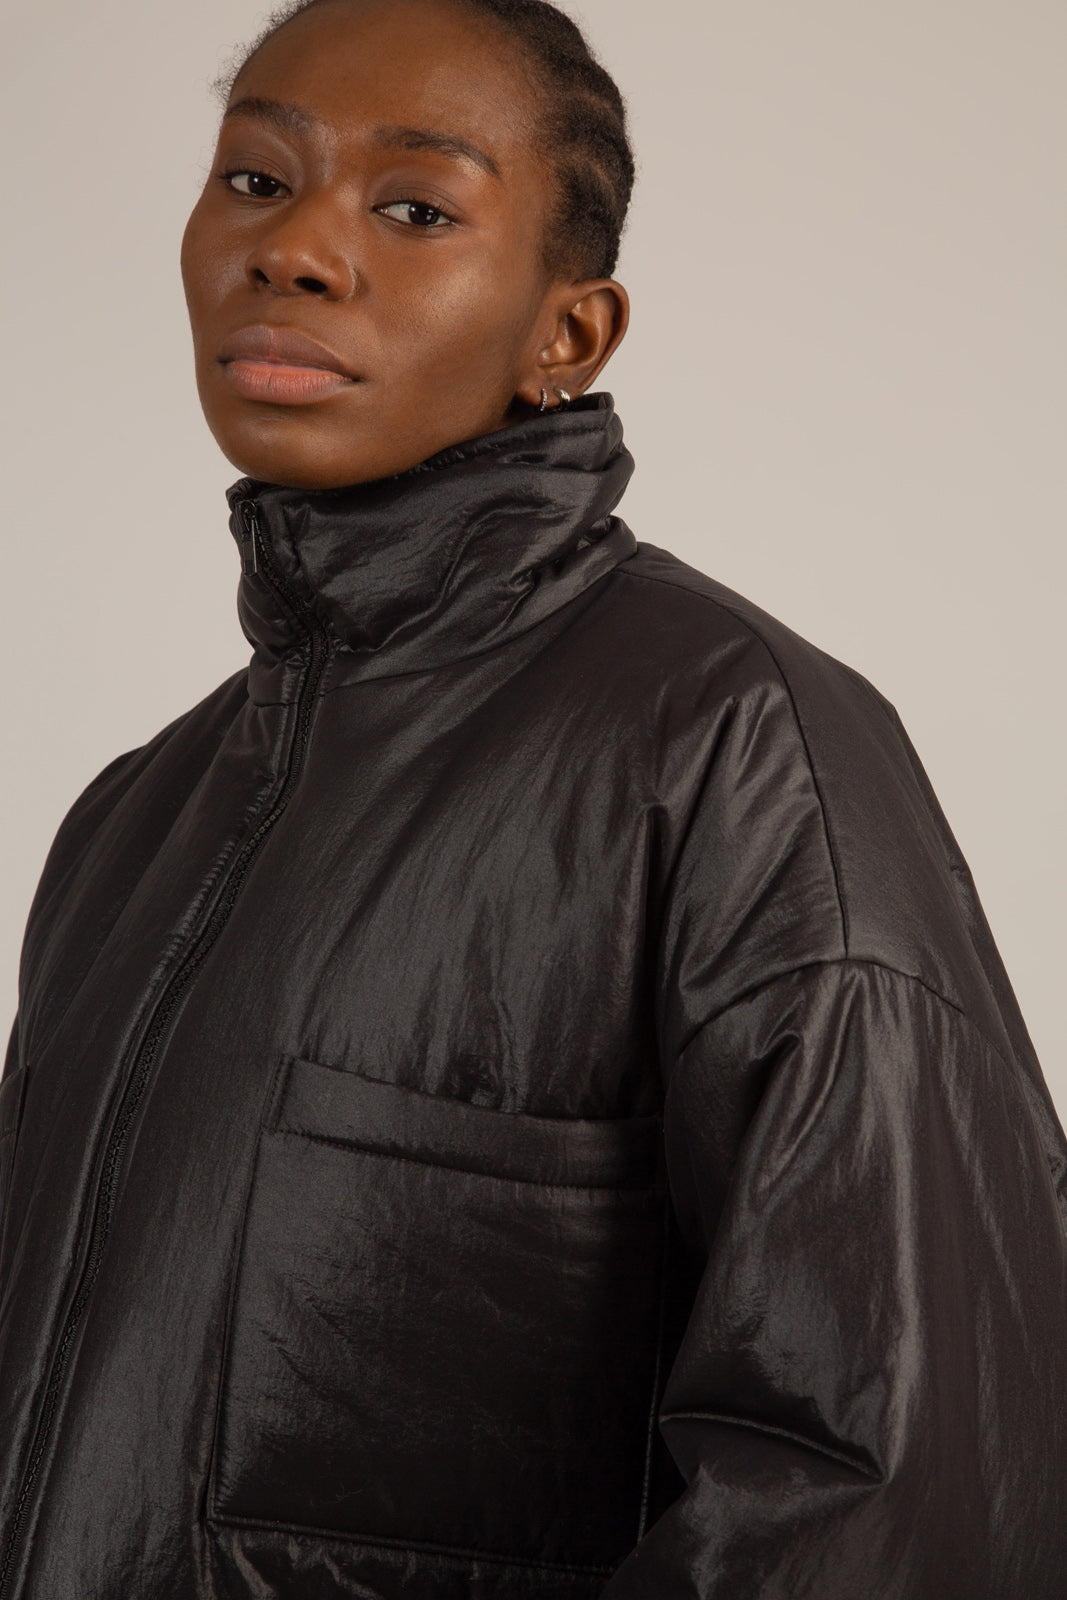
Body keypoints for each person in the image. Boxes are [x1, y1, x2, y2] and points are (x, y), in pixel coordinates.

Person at [0, 0, 1063, 1595]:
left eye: (415, 208)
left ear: (568, 335)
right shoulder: (128, 821)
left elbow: (897, 1480)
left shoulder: (739, 741)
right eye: (256, 181)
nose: (294, 251)